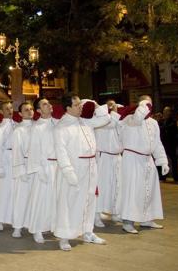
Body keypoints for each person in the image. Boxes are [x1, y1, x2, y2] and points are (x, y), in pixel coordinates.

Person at [53, 94, 110, 251]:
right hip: (74, 169)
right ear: (68, 108)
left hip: (90, 166)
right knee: (69, 203)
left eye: (80, 104)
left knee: (89, 200)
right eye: (77, 105)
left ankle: (87, 231)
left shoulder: (84, 122)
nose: (81, 107)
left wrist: (96, 106)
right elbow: (61, 152)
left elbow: (105, 119)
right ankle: (64, 236)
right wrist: (69, 172)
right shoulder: (61, 127)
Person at [119, 96, 169, 234]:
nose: (148, 107)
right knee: (133, 191)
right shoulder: (129, 119)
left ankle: (147, 219)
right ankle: (128, 221)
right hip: (132, 159)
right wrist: (141, 107)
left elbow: (157, 142)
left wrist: (162, 160)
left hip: (148, 160)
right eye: (146, 104)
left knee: (150, 190)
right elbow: (137, 119)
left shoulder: (153, 122)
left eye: (150, 104)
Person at [26, 98, 58, 244]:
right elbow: (33, 150)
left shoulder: (58, 123)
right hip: (44, 166)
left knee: (55, 199)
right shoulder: (36, 127)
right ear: (38, 110)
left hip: (58, 166)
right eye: (45, 104)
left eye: (49, 103)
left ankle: (52, 225)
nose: (49, 105)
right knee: (41, 199)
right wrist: (39, 169)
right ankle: (37, 228)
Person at [93, 100, 123, 227]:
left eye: (114, 104)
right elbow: (109, 124)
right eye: (109, 105)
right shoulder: (100, 119)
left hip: (117, 157)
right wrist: (114, 113)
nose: (112, 107)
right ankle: (96, 215)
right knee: (102, 187)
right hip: (103, 157)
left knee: (118, 186)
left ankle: (116, 212)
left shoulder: (116, 119)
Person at [10, 102, 34, 238]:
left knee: (34, 198)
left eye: (31, 109)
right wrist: (21, 170)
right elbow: (16, 152)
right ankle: (17, 226)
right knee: (21, 198)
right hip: (24, 165)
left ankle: (32, 224)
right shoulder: (18, 130)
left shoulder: (38, 126)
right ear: (20, 114)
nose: (30, 112)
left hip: (36, 166)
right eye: (26, 110)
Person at [0, 101, 15, 231]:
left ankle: (11, 217)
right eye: (6, 109)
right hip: (5, 160)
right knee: (3, 191)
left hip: (15, 160)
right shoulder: (0, 128)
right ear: (2, 111)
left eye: (11, 108)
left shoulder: (17, 125)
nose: (10, 110)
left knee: (13, 191)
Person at [159, 106, 178, 182]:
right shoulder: (161, 121)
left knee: (174, 161)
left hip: (171, 144)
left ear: (170, 112)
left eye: (167, 111)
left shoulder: (173, 121)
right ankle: (163, 176)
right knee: (162, 161)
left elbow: (171, 130)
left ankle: (176, 177)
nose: (165, 112)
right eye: (164, 111)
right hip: (163, 144)